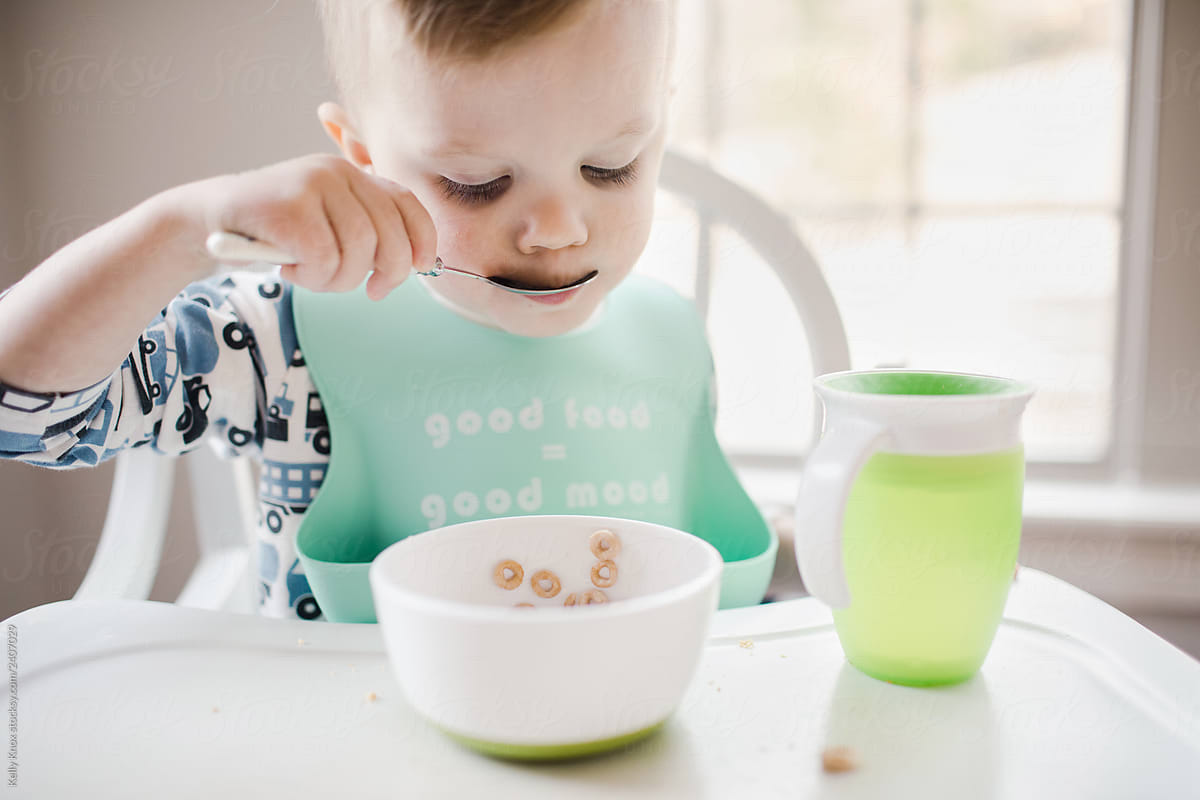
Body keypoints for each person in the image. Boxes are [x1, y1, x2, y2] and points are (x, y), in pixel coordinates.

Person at [0, 0, 775, 621]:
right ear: (363, 156)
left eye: (612, 166)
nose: (558, 230)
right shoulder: (279, 338)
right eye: (475, 183)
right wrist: (180, 228)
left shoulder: (671, 338)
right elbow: (25, 415)